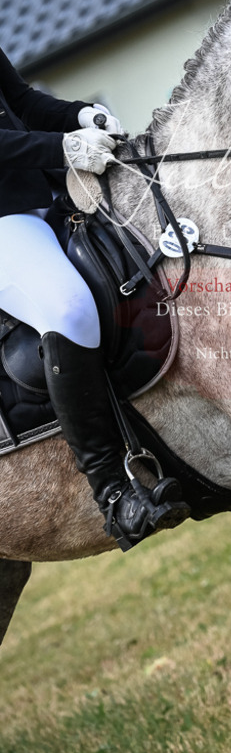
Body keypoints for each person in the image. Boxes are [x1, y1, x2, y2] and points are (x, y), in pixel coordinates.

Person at [0, 46, 189, 550]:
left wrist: (78, 114)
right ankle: (113, 494)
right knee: (68, 308)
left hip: (47, 197)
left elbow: (19, 101)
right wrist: (63, 147)